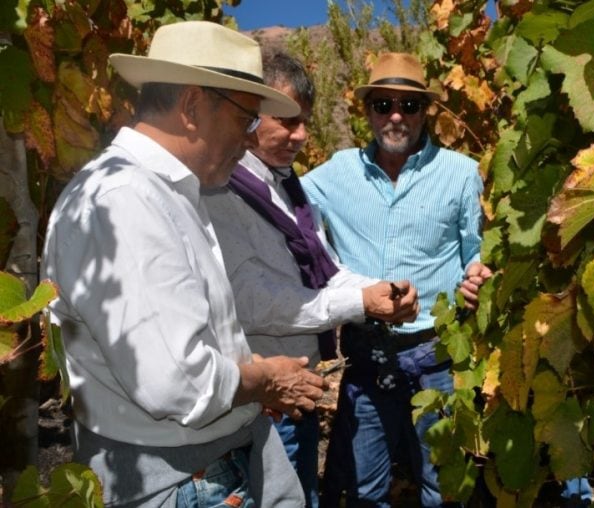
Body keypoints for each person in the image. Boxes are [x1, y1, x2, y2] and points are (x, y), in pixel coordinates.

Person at [41, 21, 327, 507]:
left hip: (211, 465)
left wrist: (249, 375)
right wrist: (267, 378)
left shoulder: (164, 192)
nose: (250, 139)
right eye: (246, 119)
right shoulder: (124, 201)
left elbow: (180, 341)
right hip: (188, 479)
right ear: (193, 106)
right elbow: (179, 381)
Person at [201, 51, 420, 508]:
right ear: (249, 110)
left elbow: (327, 270)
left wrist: (378, 289)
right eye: (286, 121)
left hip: (297, 393)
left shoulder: (288, 188)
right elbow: (253, 300)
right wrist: (360, 304)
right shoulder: (221, 189)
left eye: (305, 122)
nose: (300, 136)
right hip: (259, 401)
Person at [302, 52, 492, 507]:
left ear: (425, 111)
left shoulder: (461, 173)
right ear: (366, 110)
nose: (395, 115)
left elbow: (475, 253)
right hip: (368, 357)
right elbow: (275, 202)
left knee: (442, 487)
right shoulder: (333, 174)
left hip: (438, 357)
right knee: (366, 491)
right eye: (383, 103)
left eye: (408, 106)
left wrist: (478, 275)